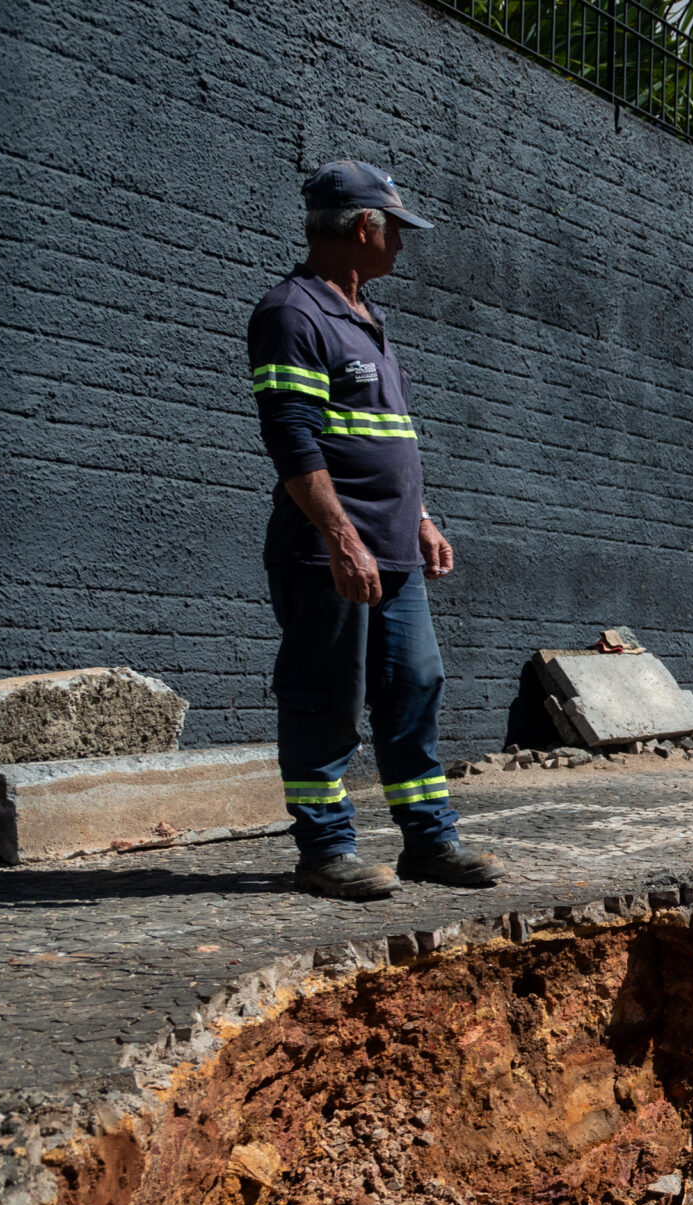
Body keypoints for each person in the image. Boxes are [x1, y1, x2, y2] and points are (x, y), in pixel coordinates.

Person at [246, 163, 503, 901]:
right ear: (364, 226)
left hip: (395, 553)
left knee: (414, 685)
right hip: (328, 555)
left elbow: (391, 438)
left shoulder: (366, 319)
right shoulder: (292, 315)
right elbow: (292, 439)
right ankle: (325, 851)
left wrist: (419, 520)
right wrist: (341, 536)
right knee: (324, 697)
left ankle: (430, 841)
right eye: (396, 229)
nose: (402, 244)